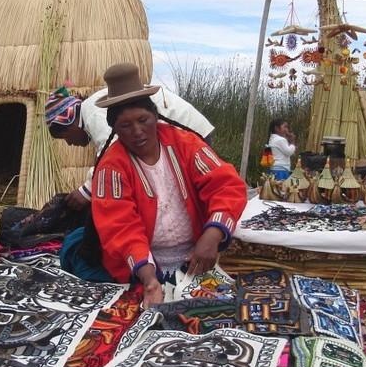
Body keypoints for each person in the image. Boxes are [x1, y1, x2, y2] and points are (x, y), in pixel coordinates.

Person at [86, 63, 247, 309]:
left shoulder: (186, 144)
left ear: (156, 116)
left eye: (143, 120)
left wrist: (212, 235)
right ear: (115, 129)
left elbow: (226, 186)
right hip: (144, 268)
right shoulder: (111, 168)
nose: (137, 131)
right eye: (126, 126)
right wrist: (149, 278)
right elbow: (119, 228)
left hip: (197, 255)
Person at [44, 71, 214, 210]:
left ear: (69, 123)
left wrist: (87, 190)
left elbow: (110, 151)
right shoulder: (92, 111)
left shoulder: (92, 113)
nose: (69, 143)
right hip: (189, 133)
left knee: (192, 195)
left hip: (191, 134)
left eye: (65, 137)